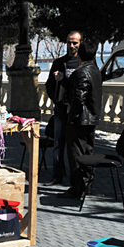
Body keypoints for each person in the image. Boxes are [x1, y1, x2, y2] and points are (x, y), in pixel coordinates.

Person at [59, 38, 103, 199]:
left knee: (76, 155)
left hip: (80, 120)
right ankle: (87, 185)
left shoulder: (82, 72)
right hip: (91, 120)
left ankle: (77, 188)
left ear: (80, 54)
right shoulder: (95, 71)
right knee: (88, 153)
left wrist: (72, 116)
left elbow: (79, 97)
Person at [45, 31, 82, 186]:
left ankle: (76, 179)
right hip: (61, 110)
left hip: (77, 111)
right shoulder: (59, 63)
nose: (72, 46)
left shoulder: (83, 64)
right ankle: (57, 176)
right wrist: (56, 100)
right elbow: (49, 85)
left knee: (75, 146)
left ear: (81, 44)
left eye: (75, 43)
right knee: (58, 145)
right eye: (69, 42)